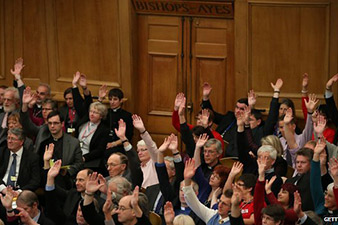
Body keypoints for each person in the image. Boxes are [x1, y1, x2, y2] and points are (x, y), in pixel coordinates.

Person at [182, 158, 233, 225]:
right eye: (220, 201)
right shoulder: (213, 215)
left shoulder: (234, 222)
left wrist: (232, 175)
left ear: (231, 208)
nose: (220, 205)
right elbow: (193, 202)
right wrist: (187, 179)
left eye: (224, 204)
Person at [279, 93, 317, 168]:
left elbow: (308, 130)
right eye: (281, 127)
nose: (283, 130)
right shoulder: (279, 141)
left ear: (293, 126)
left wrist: (309, 112)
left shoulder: (301, 139)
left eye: (285, 126)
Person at [0, 128, 40, 193]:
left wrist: (19, 192)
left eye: (13, 139)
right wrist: (3, 188)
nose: (9, 141)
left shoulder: (32, 158)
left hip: (21, 192)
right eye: (8, 138)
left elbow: (35, 181)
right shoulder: (2, 152)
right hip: (2, 189)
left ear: (21, 142)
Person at [98, 85, 134, 157]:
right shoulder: (106, 112)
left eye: (115, 99)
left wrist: (114, 144)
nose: (112, 102)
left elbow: (129, 136)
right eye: (110, 99)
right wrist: (100, 99)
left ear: (121, 100)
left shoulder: (127, 115)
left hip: (119, 146)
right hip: (104, 144)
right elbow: (96, 113)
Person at [310, 138, 338, 223]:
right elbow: (315, 184)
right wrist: (316, 156)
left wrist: (336, 179)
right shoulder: (321, 207)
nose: (325, 197)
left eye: (330, 196)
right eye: (326, 193)